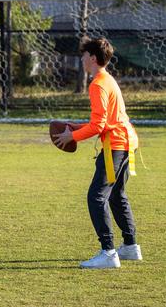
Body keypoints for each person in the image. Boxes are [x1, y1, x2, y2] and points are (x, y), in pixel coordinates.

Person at [53, 37, 141, 269]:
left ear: (92, 58)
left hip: (116, 145)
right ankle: (130, 246)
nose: (81, 59)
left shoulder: (97, 84)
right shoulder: (108, 79)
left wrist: (72, 136)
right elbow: (102, 121)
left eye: (84, 55)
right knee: (116, 195)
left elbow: (99, 126)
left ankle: (108, 252)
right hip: (126, 141)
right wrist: (76, 127)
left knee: (96, 197)